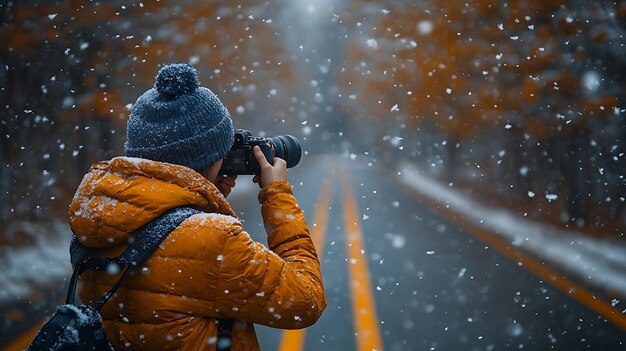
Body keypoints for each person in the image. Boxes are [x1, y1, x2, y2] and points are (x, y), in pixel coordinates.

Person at [68, 63, 326, 350]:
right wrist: (276, 194)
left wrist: (204, 197)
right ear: (211, 157)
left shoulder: (99, 216)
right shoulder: (214, 241)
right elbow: (306, 299)